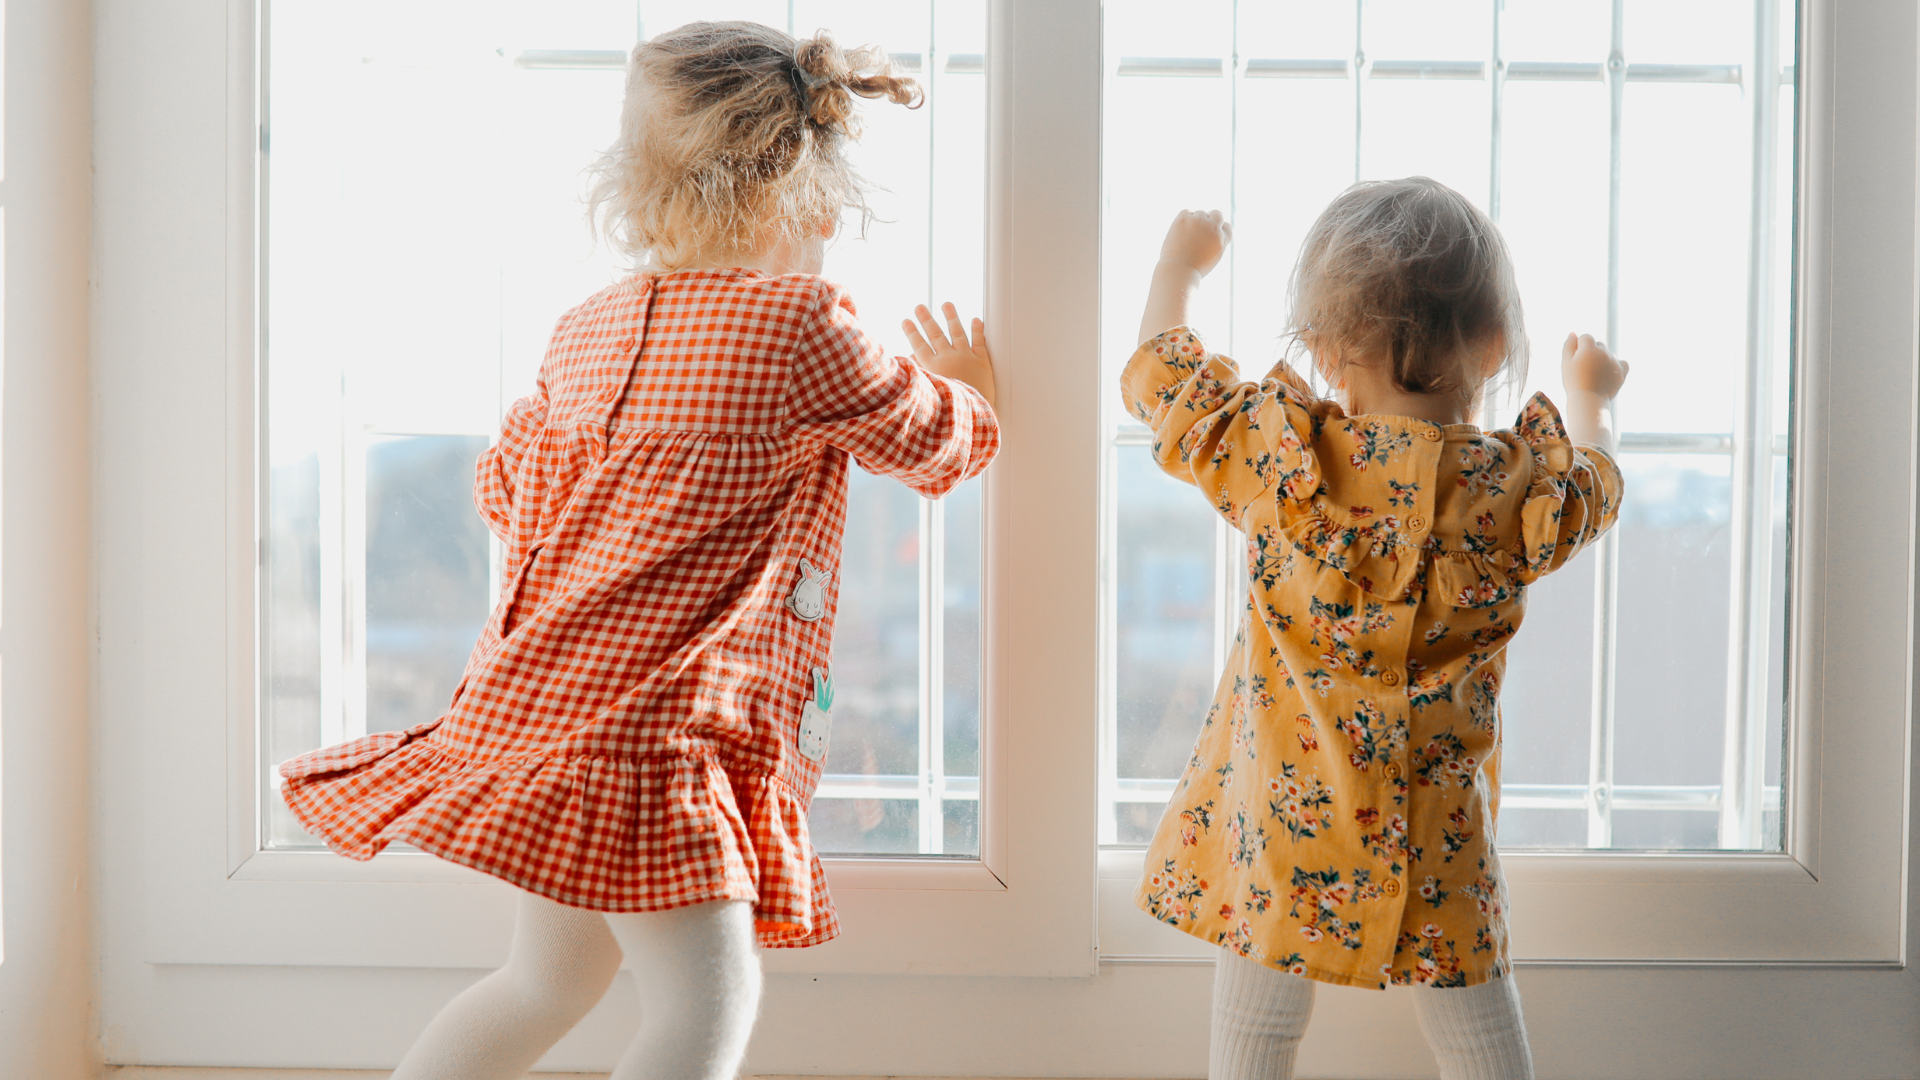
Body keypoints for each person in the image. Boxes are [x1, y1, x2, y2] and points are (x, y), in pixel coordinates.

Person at [276, 21, 998, 1080]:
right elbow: (938, 446)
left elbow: (507, 493)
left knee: (542, 985)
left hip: (539, 713)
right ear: (807, 192)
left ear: (637, 181)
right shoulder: (801, 328)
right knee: (707, 1004)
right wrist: (974, 385)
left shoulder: (584, 330)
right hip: (654, 738)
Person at [1124, 182, 1626, 1080]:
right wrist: (1591, 394)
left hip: (1287, 822)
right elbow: (1592, 483)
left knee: (1256, 1026)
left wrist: (1178, 267)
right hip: (1439, 835)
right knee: (1478, 1031)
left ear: (1322, 350)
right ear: (1497, 346)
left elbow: (1168, 377)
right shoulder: (1512, 496)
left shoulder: (1287, 464)